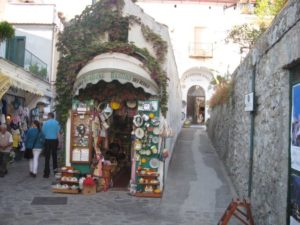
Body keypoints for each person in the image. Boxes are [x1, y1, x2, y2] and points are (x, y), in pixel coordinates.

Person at [42, 112, 60, 178]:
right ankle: (55, 172)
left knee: (47, 157)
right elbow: (58, 133)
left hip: (47, 140)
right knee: (54, 156)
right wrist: (59, 142)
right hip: (54, 141)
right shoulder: (56, 123)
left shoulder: (45, 123)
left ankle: (46, 173)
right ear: (53, 116)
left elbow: (43, 132)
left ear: (49, 116)